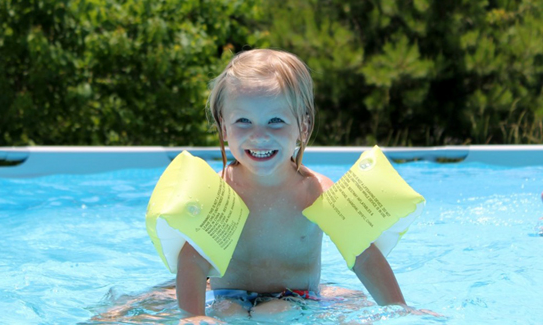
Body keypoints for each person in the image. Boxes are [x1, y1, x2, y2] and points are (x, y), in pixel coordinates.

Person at [175, 48, 411, 322]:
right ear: (224, 127)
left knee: (274, 313)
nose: (259, 135)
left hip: (298, 297)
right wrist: (191, 317)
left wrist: (399, 310)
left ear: (303, 127)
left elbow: (364, 256)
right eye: (243, 121)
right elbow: (192, 260)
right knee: (229, 313)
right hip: (228, 297)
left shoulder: (316, 192)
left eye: (275, 121)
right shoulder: (217, 192)